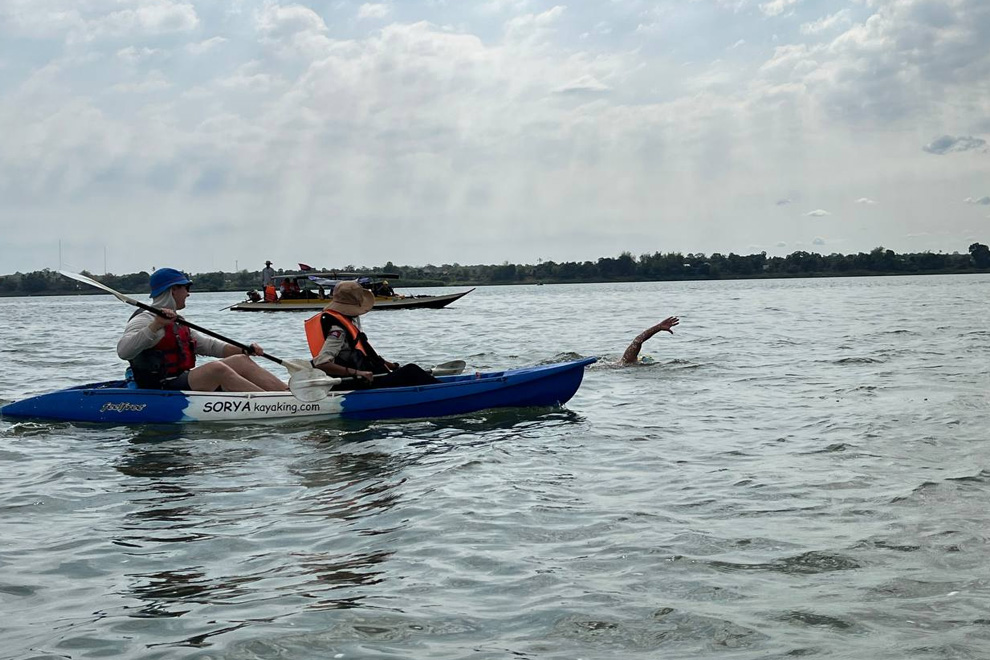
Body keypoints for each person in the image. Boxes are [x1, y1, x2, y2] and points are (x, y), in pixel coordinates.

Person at [117, 268, 288, 392]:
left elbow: (211, 347)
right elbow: (124, 351)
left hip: (179, 379)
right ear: (173, 290)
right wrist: (155, 325)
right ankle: (273, 404)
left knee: (241, 359)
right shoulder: (145, 319)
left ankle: (289, 394)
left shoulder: (178, 322)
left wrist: (244, 349)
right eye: (187, 288)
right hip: (158, 386)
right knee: (216, 369)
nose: (188, 294)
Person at [304, 281, 437, 389]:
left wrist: (393, 366)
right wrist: (358, 373)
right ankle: (443, 391)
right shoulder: (338, 331)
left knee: (408, 371)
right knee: (411, 370)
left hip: (366, 379)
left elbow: (368, 356)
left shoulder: (346, 324)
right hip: (357, 384)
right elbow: (321, 362)